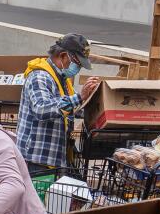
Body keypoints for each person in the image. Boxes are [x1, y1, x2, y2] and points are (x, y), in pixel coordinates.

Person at [16, 33, 102, 170]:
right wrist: (79, 97)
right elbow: (42, 109)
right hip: (36, 159)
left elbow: (70, 108)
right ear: (62, 56)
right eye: (77, 63)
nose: (77, 69)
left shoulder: (62, 79)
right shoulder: (40, 77)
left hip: (53, 157)